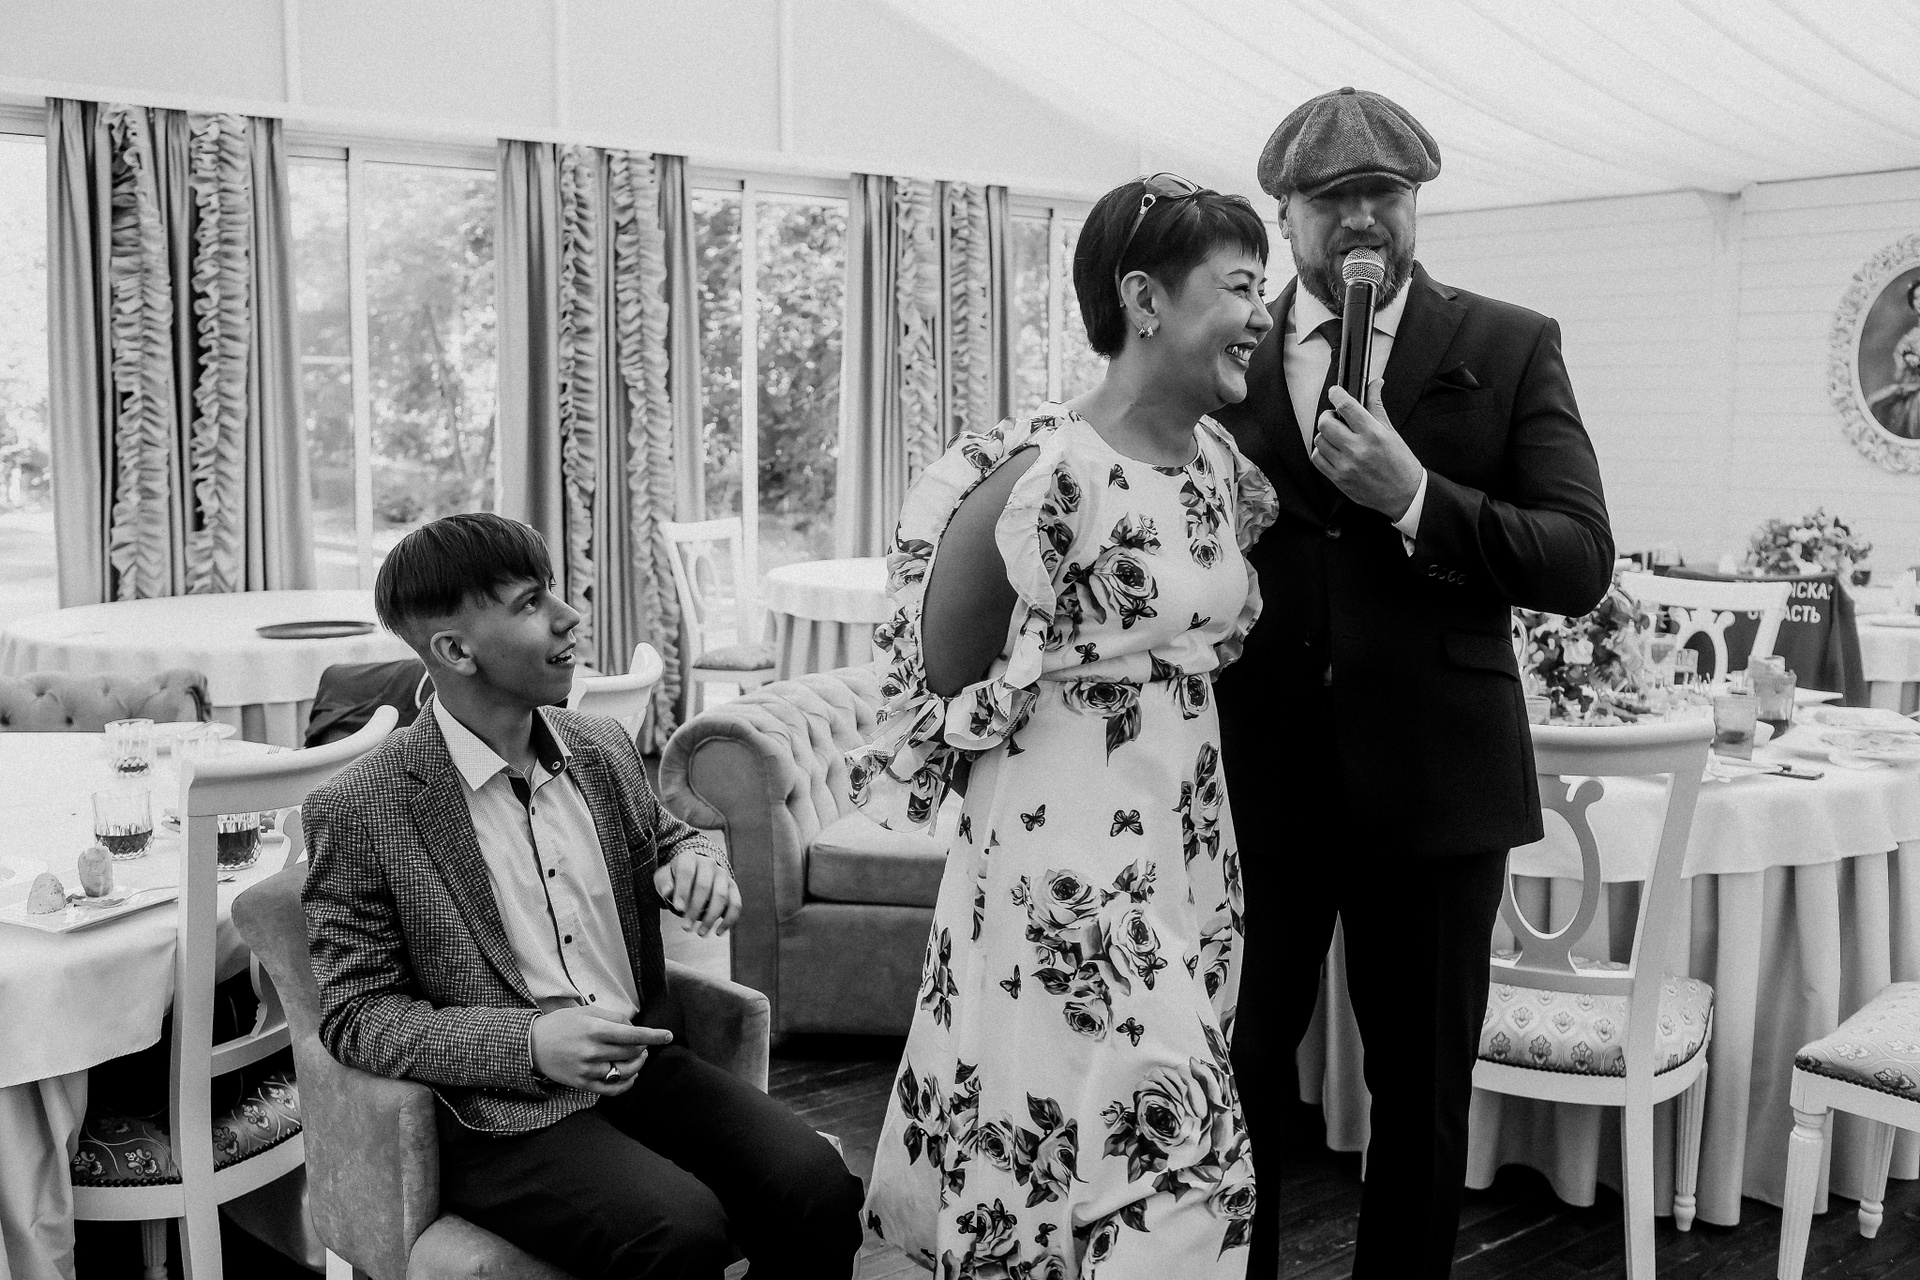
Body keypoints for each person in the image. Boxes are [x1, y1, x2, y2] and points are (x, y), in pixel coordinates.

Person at [1210, 88, 1615, 1279]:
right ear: (1285, 216)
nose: (1362, 218)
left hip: (1439, 790)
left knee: (1423, 1093)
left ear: (1418, 202)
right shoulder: (1222, 353)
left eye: (1385, 192)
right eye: (1333, 198)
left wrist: (1418, 498)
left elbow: (1579, 557)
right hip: (1255, 785)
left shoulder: (1508, 342)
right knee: (1233, 1070)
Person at [850, 176, 1278, 1278]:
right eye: (1240, 286)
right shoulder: (1045, 471)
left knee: (1093, 1137)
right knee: (1181, 1144)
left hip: (1184, 843)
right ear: (1145, 299)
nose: (1263, 313)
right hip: (1067, 857)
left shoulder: (1221, 469)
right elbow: (939, 678)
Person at [302, 513, 863, 1280]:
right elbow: (356, 1016)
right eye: (531, 604)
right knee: (680, 1234)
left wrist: (697, 864)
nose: (570, 617)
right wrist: (531, 1043)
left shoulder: (601, 746)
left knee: (817, 1188)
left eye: (553, 592)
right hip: (504, 1112)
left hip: (646, 1063)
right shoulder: (361, 807)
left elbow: (672, 838)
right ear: (455, 651)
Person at [1867, 278, 1920, 439]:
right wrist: (1904, 361)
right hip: (1910, 391)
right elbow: (1898, 376)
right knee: (1874, 404)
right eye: (1916, 298)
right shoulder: (1909, 337)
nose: (1919, 302)